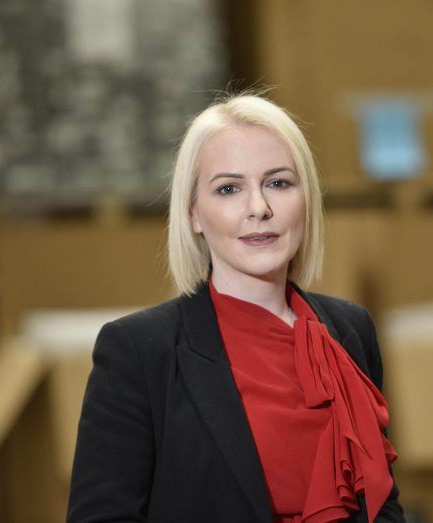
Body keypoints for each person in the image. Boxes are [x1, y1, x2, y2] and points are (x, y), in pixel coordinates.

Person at [67, 93, 404, 523]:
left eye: (279, 183)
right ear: (193, 213)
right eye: (229, 189)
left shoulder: (349, 329)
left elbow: (381, 501)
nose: (259, 208)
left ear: (307, 200)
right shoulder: (138, 350)